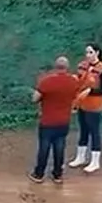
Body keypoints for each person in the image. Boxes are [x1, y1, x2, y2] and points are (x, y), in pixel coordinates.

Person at [29, 56, 80, 184]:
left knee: (44, 147)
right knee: (60, 146)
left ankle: (39, 174)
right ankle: (58, 174)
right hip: (63, 120)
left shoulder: (46, 81)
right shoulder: (73, 82)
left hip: (47, 120)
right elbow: (75, 96)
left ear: (55, 66)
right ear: (67, 67)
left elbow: (35, 99)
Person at [68, 44, 102, 174]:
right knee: (83, 130)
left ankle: (95, 161)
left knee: (94, 132)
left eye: (91, 52)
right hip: (82, 103)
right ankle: (80, 157)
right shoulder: (82, 66)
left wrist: (90, 91)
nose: (88, 55)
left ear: (97, 53)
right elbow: (79, 81)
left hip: (94, 105)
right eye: (87, 52)